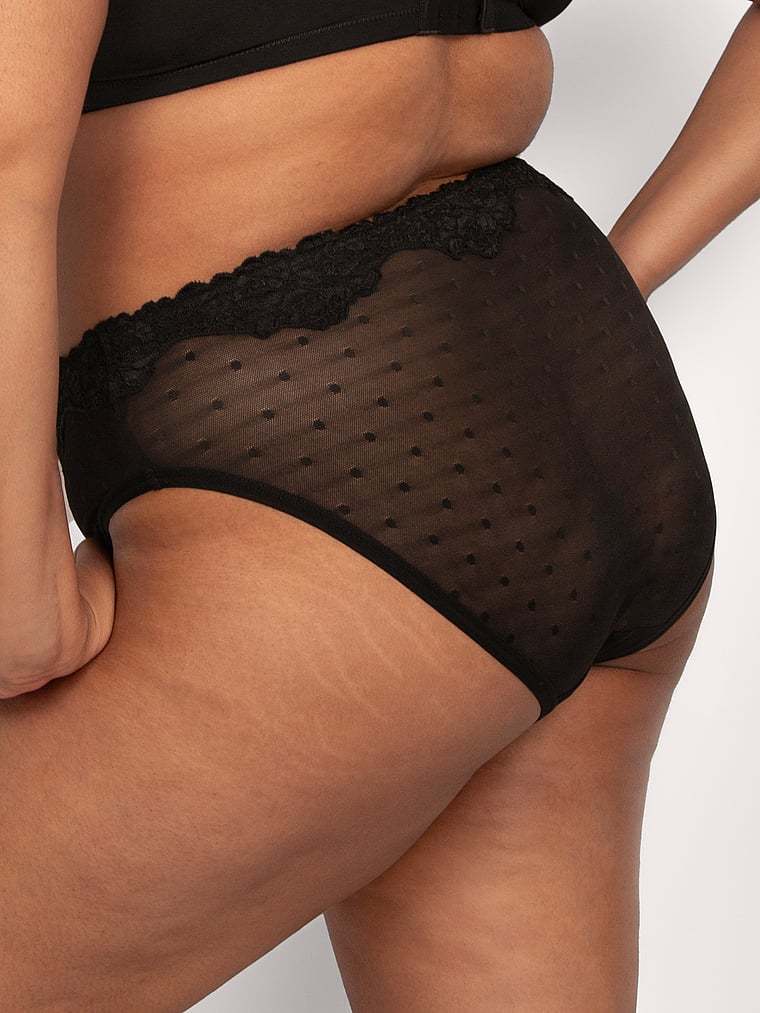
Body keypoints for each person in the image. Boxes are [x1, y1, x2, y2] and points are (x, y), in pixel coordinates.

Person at [0, 1, 756, 1008]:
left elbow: (6, 143)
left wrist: (17, 596)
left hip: (314, 453)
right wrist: (626, 277)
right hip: (581, 363)